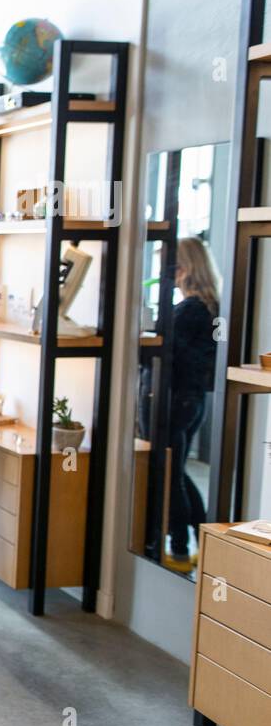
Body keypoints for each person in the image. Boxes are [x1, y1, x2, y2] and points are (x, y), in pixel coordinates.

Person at [164, 236, 220, 572]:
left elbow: (171, 356)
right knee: (179, 473)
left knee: (169, 475)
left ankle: (181, 550)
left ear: (183, 269)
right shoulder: (211, 307)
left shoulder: (189, 311)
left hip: (177, 400)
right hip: (194, 399)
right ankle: (204, 545)